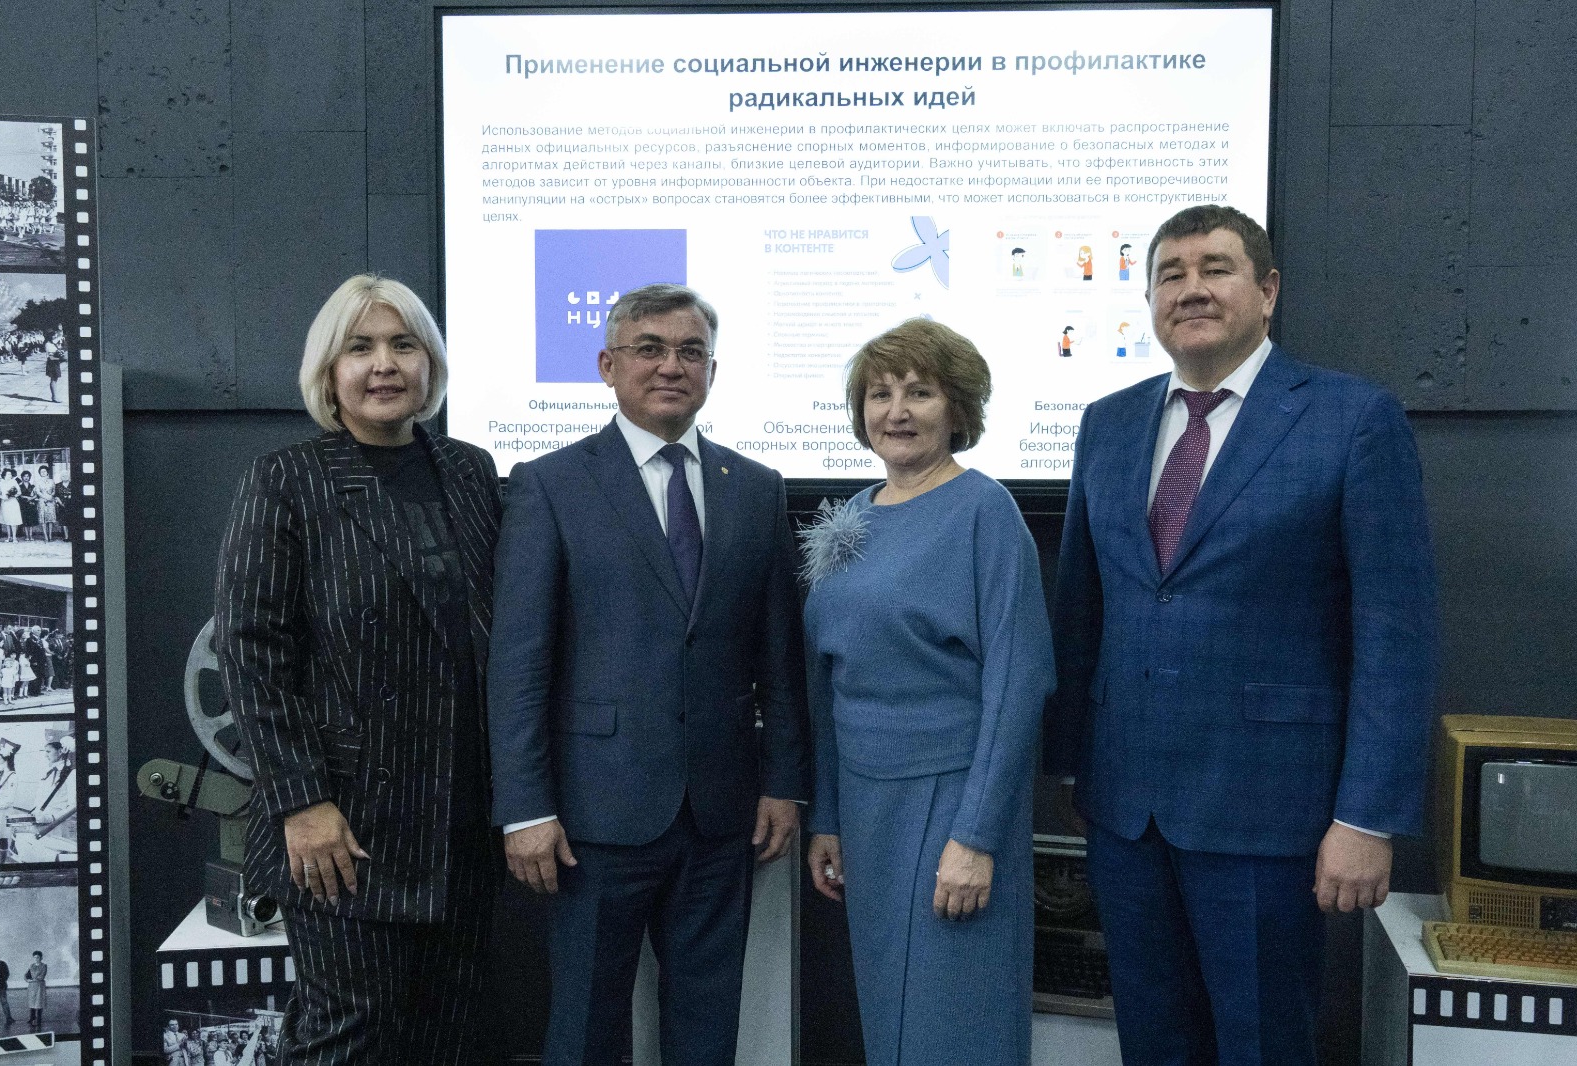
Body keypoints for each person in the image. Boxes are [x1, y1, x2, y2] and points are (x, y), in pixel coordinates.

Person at [1045, 204, 1439, 1066]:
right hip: (1125, 811)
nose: (1191, 289)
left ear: (1267, 291)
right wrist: (1074, 761)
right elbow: (1083, 609)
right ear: (1150, 302)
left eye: (1215, 269)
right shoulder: (1107, 424)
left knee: (1264, 1046)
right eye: (1170, 274)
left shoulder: (1351, 418)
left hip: (1271, 812)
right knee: (1153, 1043)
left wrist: (1367, 817)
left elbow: (1395, 635)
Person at [488, 283, 808, 1066]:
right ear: (608, 365)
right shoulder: (549, 484)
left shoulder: (756, 489)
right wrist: (525, 808)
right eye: (650, 349)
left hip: (722, 813)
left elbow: (779, 657)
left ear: (712, 371)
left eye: (691, 351)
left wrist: (784, 782)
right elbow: (519, 663)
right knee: (586, 1028)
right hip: (591, 818)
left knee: (708, 1026)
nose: (672, 366)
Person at [214, 274, 502, 1064]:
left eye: (404, 345)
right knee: (349, 1039)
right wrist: (301, 800)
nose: (384, 364)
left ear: (430, 363)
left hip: (463, 823)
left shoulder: (472, 472)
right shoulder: (285, 480)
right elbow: (250, 651)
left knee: (450, 1041)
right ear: (328, 370)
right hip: (343, 829)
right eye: (360, 347)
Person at [801, 319, 1054, 1065]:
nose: (897, 411)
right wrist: (827, 818)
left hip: (953, 804)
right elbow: (825, 686)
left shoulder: (986, 512)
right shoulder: (851, 515)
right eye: (880, 394)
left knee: (954, 1020)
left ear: (957, 408)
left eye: (920, 392)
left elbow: (1018, 684)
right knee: (892, 1020)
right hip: (865, 808)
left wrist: (975, 838)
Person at [0, 470, 19, 543]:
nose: (10, 476)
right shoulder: (0, 483)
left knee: (13, 520)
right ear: (4, 475)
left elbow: (19, 492)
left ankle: (14, 537)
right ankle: (9, 537)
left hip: (13, 502)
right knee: (7, 520)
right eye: (8, 474)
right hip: (5, 503)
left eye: (11, 474)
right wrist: (3, 497)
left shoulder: (14, 482)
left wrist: (12, 495)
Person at [23, 951, 44, 1029]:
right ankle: (32, 1017)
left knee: (39, 1002)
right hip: (32, 986)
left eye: (37, 957)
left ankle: (39, 1019)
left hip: (39, 986)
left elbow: (41, 976)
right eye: (34, 957)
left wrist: (33, 978)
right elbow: (26, 975)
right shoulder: (31, 965)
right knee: (32, 1002)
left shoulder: (43, 966)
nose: (36, 959)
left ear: (41, 958)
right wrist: (27, 979)